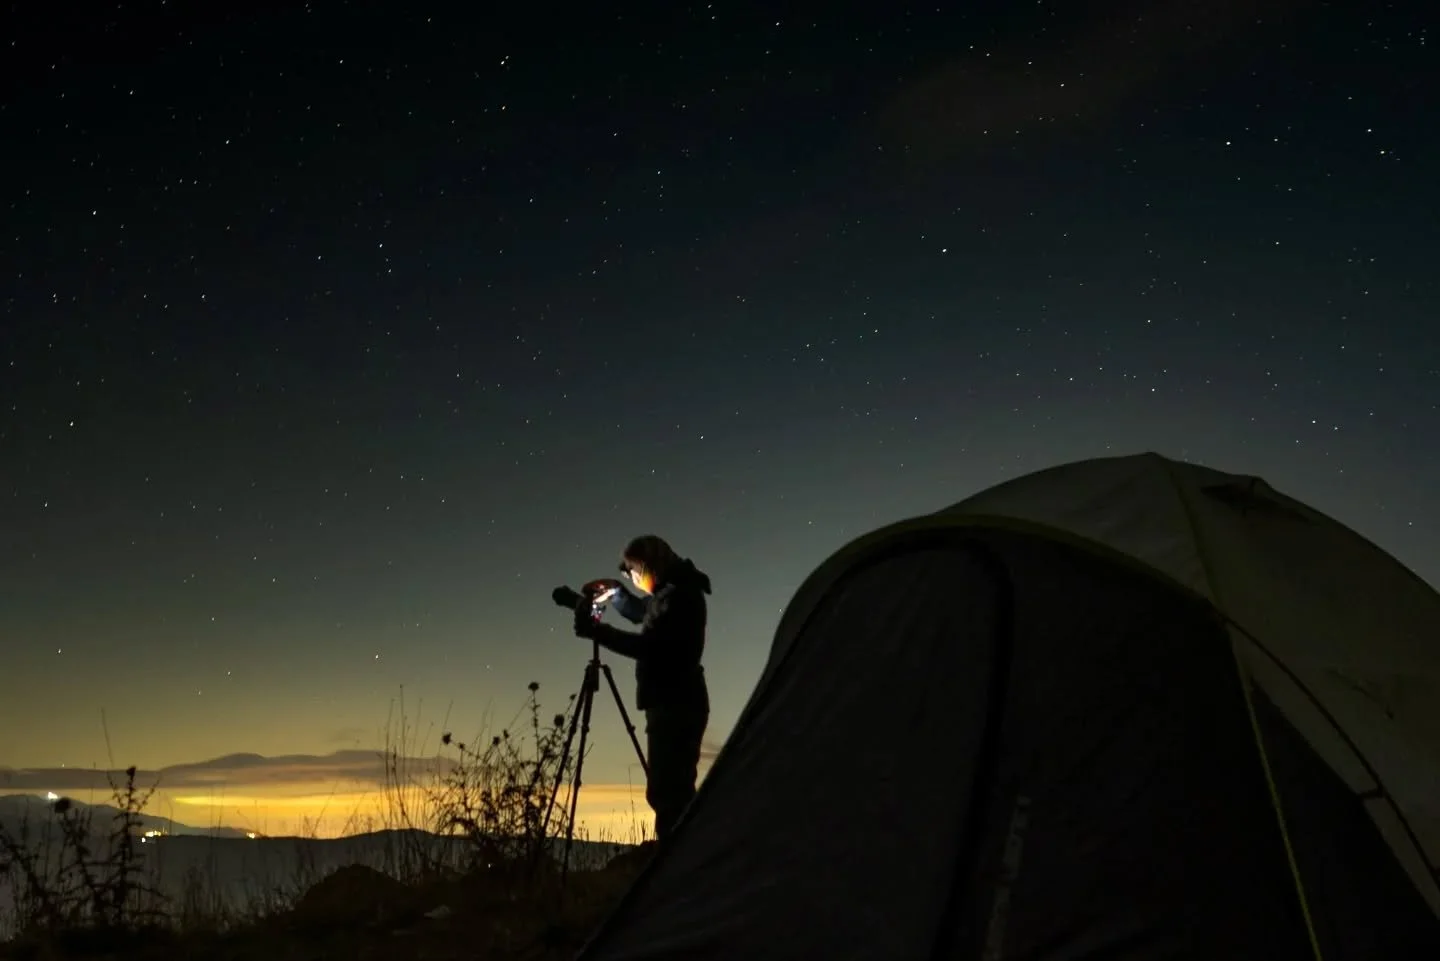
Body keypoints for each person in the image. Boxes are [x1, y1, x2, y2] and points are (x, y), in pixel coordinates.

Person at [571, 534, 711, 842]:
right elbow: (642, 612)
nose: (632, 577)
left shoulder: (682, 596)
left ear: (650, 565)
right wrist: (616, 594)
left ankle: (677, 861)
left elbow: (652, 647)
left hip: (676, 704)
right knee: (667, 790)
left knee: (670, 792)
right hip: (671, 701)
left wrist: (599, 632)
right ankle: (679, 855)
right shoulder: (671, 591)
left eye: (633, 571)